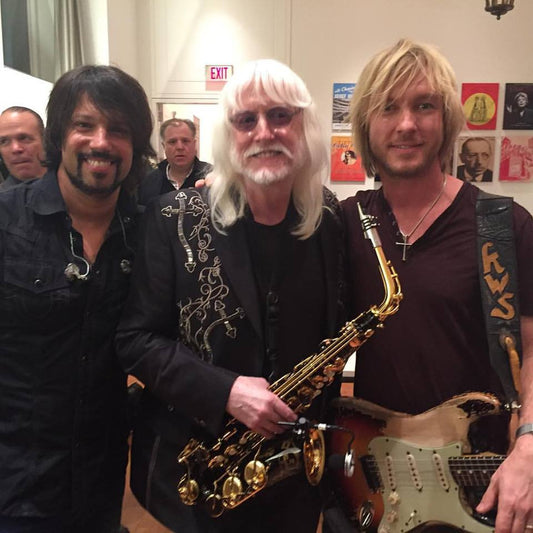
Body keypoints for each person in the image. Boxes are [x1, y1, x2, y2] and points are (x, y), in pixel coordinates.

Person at [115, 59, 346, 533]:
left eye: (281, 115)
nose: (265, 132)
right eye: (246, 120)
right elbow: (135, 339)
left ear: (306, 128)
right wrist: (227, 391)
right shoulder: (173, 217)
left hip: (294, 479)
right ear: (228, 135)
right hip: (197, 474)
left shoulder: (328, 216)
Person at [341, 39, 533, 532]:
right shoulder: (343, 223)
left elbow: (532, 350)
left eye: (423, 105)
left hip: (478, 485)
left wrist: (529, 446)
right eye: (388, 108)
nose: (406, 124)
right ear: (366, 125)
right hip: (373, 486)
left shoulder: (504, 226)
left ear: (446, 120)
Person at [0, 65, 154, 532]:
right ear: (59, 136)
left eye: (119, 130)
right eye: (84, 125)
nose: (101, 141)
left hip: (100, 483)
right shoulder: (7, 222)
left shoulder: (148, 233)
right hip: (13, 487)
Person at [138, 117, 212, 205]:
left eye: (185, 141)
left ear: (194, 144)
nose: (179, 147)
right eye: (172, 142)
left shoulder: (212, 176)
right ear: (163, 146)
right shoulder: (148, 182)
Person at [0, 106, 46, 190]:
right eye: (4, 141)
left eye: (24, 138)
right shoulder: (4, 200)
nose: (15, 148)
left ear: (44, 141)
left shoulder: (71, 187)